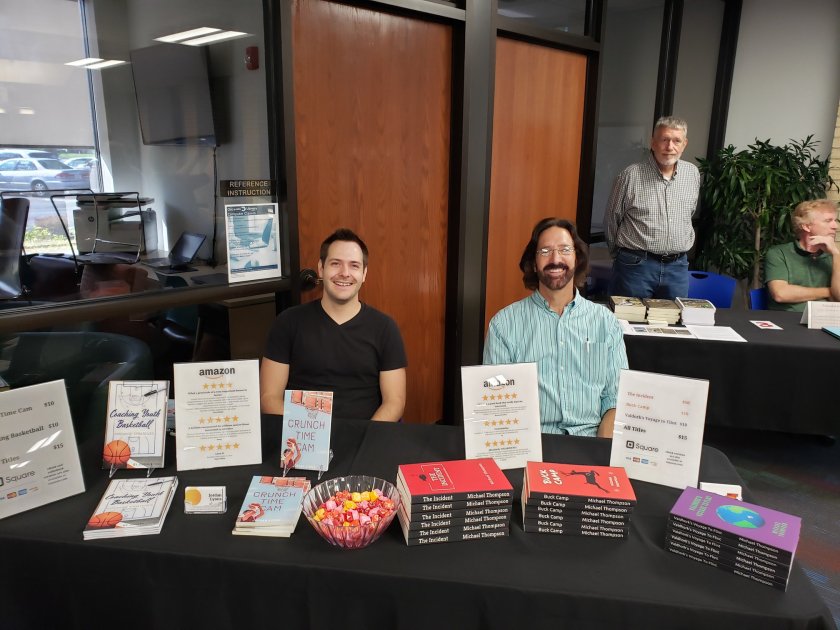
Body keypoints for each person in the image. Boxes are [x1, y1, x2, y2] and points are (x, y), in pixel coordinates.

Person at [483, 218, 628, 438]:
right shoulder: (503, 325)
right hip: (531, 443)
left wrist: (602, 456)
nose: (555, 259)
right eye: (545, 251)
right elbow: (498, 405)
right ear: (533, 263)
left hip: (590, 442)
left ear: (577, 258)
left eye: (564, 249)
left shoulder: (605, 322)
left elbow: (616, 400)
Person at [260, 228, 407, 421]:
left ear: (364, 274)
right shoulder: (288, 322)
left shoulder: (385, 328)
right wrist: (302, 433)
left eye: (354, 265)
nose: (344, 273)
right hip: (302, 438)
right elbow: (269, 397)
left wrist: (364, 440)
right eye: (335, 264)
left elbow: (394, 401)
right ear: (321, 269)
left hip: (364, 438)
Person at [605, 116, 701, 299]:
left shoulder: (692, 174)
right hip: (636, 267)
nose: (669, 146)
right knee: (629, 323)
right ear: (653, 142)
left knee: (675, 323)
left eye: (676, 141)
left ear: (684, 144)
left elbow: (689, 213)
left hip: (677, 268)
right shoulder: (630, 176)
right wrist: (620, 256)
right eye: (664, 139)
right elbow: (611, 219)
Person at [765, 199, 840, 312]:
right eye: (828, 221)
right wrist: (829, 291)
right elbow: (781, 294)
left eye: (835, 220)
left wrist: (836, 254)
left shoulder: (835, 257)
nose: (835, 226)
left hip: (826, 320)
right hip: (786, 321)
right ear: (806, 226)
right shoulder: (779, 253)